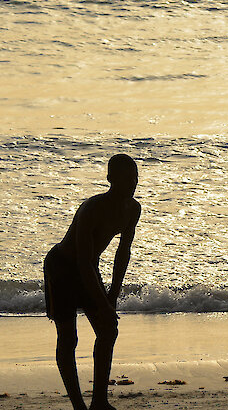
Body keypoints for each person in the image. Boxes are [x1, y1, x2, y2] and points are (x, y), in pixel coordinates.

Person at [44, 154, 141, 410]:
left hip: (88, 268)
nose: (132, 184)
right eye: (126, 179)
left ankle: (99, 401)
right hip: (62, 268)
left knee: (108, 330)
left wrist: (113, 294)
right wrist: (103, 303)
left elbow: (123, 253)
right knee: (68, 337)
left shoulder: (133, 209)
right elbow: (83, 261)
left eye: (135, 178)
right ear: (110, 179)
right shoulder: (91, 209)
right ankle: (79, 406)